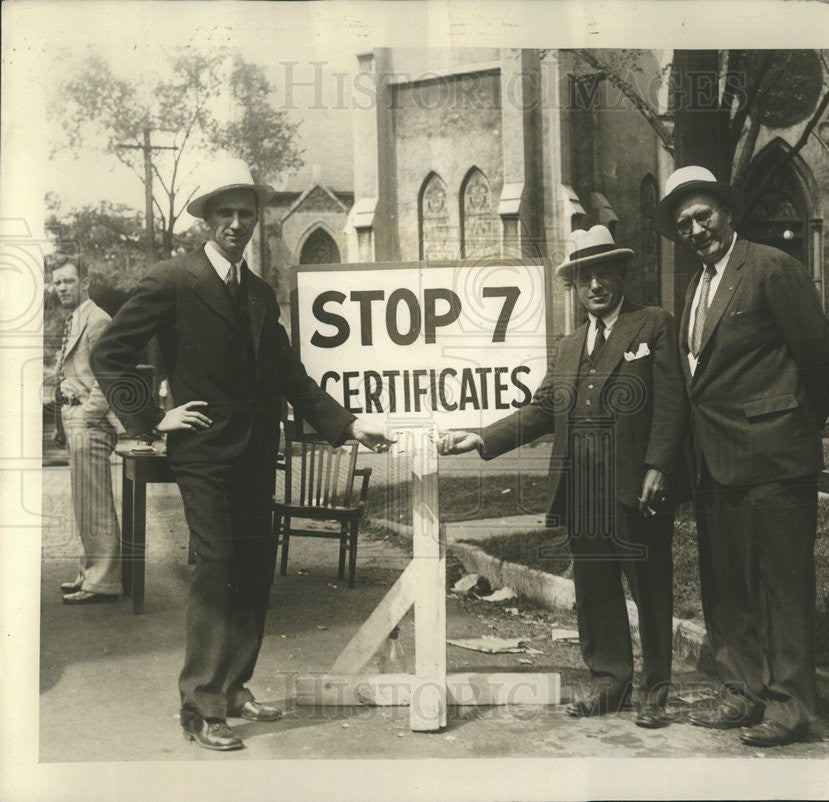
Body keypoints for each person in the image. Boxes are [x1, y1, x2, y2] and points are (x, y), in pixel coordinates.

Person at [91, 157, 394, 752]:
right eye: (224, 213)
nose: (236, 224)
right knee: (217, 566)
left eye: (245, 213)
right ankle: (200, 707)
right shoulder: (171, 280)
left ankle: (234, 688)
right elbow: (110, 355)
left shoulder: (258, 291)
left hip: (259, 451)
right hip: (201, 453)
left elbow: (291, 376)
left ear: (256, 218)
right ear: (205, 219)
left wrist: (350, 425)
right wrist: (153, 419)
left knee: (254, 570)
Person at [438, 225, 688, 729]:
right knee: (595, 591)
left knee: (650, 586)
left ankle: (655, 690)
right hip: (583, 491)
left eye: (603, 274)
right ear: (574, 287)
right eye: (583, 278)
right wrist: (482, 438)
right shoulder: (570, 346)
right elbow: (541, 411)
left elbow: (670, 405)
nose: (594, 285)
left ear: (621, 274)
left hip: (635, 487)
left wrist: (659, 466)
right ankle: (609, 681)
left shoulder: (653, 325)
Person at [655, 165, 829, 747]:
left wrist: (792, 422)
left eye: (703, 215)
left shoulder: (769, 267)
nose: (695, 229)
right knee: (726, 584)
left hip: (775, 458)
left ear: (727, 213)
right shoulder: (696, 286)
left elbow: (819, 357)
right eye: (684, 223)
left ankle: (790, 707)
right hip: (714, 463)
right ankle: (740, 693)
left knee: (781, 586)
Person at [50, 255, 123, 605]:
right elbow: (72, 372)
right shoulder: (75, 318)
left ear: (84, 282)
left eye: (67, 281)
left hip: (90, 423)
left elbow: (109, 377)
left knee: (95, 503)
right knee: (84, 503)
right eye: (57, 282)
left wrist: (86, 417)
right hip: (74, 420)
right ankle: (89, 573)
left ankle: (104, 581)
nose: (61, 288)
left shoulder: (98, 319)